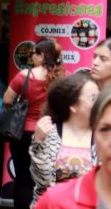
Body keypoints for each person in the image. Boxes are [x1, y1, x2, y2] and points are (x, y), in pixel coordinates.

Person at [3, 38, 66, 209]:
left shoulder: (24, 76)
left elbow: (7, 99)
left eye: (34, 54)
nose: (32, 57)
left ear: (42, 55)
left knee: (23, 179)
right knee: (44, 180)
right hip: (49, 134)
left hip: (22, 134)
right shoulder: (61, 77)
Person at [29, 74, 99, 206]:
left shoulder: (103, 135)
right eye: (93, 98)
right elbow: (42, 181)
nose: (99, 103)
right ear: (73, 105)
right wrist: (38, 142)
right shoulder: (49, 132)